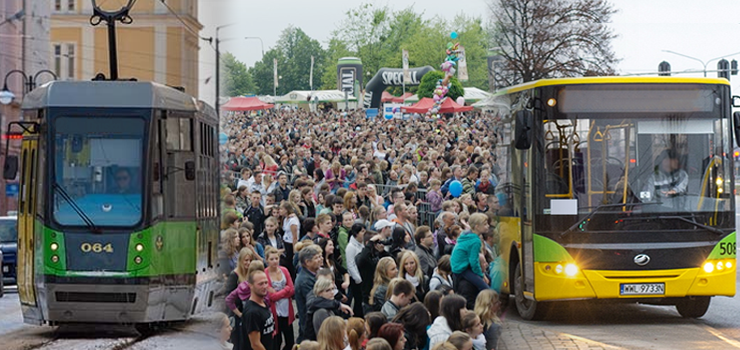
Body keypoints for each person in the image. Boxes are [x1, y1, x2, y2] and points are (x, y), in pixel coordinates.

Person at [265, 247, 295, 350]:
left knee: (290, 341)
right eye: (272, 259)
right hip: (275, 312)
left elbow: (291, 290)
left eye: (276, 258)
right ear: (267, 260)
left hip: (286, 310)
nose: (274, 261)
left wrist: (281, 292)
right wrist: (285, 290)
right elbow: (271, 297)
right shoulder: (265, 274)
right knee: (277, 341)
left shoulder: (284, 270)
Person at [450, 213, 490, 292]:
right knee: (485, 288)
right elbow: (473, 261)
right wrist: (481, 275)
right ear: (477, 227)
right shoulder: (475, 241)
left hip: (457, 266)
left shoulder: (466, 234)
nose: (488, 226)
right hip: (461, 269)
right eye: (485, 224)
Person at [295, 245, 323, 342]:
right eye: (316, 258)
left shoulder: (316, 273)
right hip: (309, 324)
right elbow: (315, 301)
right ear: (307, 262)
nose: (320, 259)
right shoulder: (305, 281)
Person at [242, 269, 275, 350]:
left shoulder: (263, 302)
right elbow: (255, 344)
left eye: (266, 283)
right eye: (260, 284)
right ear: (251, 285)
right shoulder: (252, 312)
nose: (264, 286)